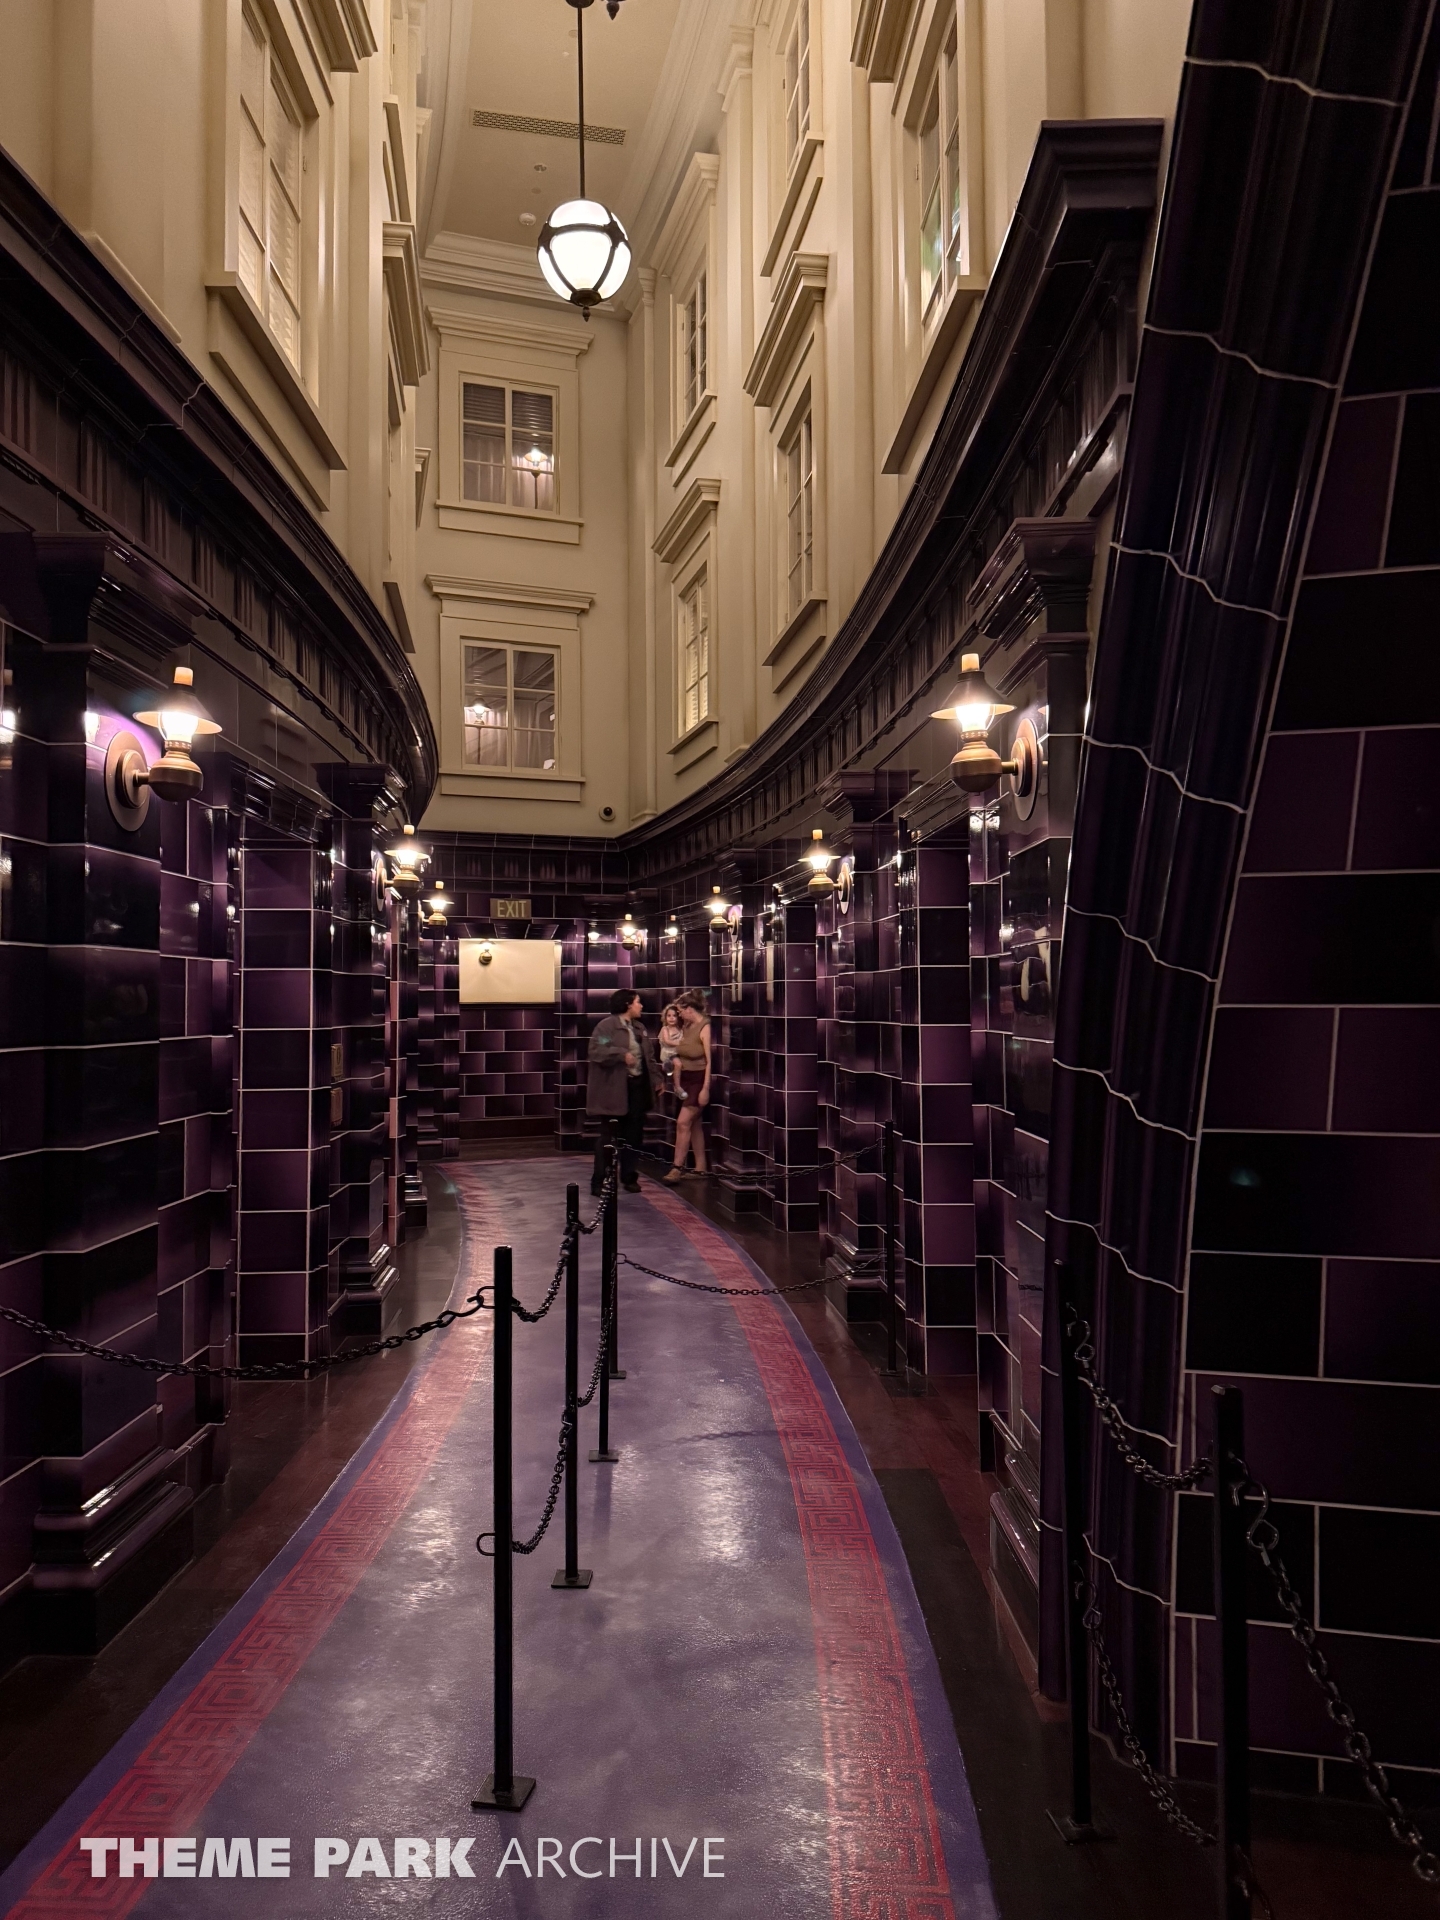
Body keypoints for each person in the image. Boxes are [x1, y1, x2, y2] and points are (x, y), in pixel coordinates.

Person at [587, 988, 661, 1195]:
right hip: (614, 1090)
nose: (641, 1006)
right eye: (638, 1002)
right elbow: (597, 1050)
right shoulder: (606, 1027)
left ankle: (629, 1177)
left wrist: (657, 1079)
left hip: (637, 1088)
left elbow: (649, 1057)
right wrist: (620, 1054)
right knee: (607, 1138)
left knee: (634, 1136)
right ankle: (599, 1181)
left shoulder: (639, 1028)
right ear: (627, 1004)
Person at [665, 990, 712, 1184]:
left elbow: (710, 1061)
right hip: (685, 1079)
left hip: (698, 1080)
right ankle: (701, 1168)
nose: (679, 1015)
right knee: (694, 1124)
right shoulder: (686, 1026)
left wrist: (705, 1089)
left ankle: (677, 1168)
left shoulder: (705, 1027)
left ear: (690, 1009)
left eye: (681, 1011)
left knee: (683, 1123)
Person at [657, 1000, 684, 1072]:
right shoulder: (665, 1029)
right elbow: (667, 1041)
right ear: (665, 1017)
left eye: (674, 1016)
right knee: (678, 1064)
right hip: (668, 1054)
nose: (671, 1018)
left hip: (678, 1053)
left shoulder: (680, 1030)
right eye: (669, 1016)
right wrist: (680, 1043)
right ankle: (676, 1079)